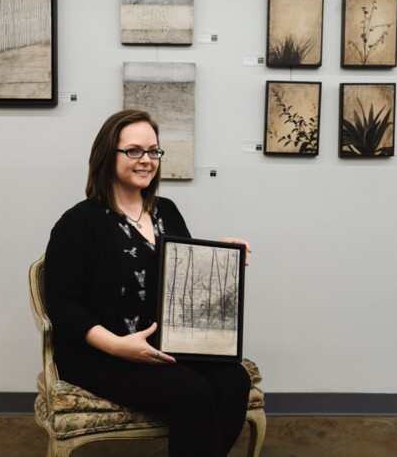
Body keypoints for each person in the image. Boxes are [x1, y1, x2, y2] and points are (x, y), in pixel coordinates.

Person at [44, 109, 252, 456]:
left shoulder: (166, 210)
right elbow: (62, 305)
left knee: (234, 379)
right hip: (104, 353)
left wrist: (223, 252)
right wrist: (116, 345)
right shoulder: (78, 222)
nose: (146, 160)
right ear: (107, 155)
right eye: (134, 151)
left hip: (166, 343)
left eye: (153, 151)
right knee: (192, 392)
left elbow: (182, 272)